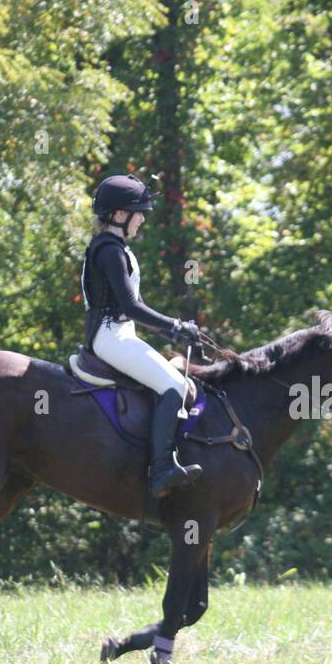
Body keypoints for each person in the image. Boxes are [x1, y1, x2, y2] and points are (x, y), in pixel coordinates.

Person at [81, 173, 203, 498]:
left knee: (176, 381)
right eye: (139, 213)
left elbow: (135, 307)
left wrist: (175, 328)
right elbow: (132, 307)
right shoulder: (109, 251)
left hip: (120, 334)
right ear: (120, 215)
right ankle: (161, 470)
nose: (143, 219)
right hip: (110, 338)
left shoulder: (115, 247)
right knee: (175, 385)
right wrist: (175, 328)